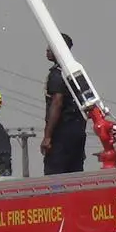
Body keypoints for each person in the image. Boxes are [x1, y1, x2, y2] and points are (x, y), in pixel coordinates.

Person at [42, 35, 87, 175]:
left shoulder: (57, 75)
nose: (47, 50)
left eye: (50, 47)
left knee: (55, 177)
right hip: (78, 133)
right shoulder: (76, 72)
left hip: (61, 134)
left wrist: (47, 136)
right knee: (75, 176)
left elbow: (57, 103)